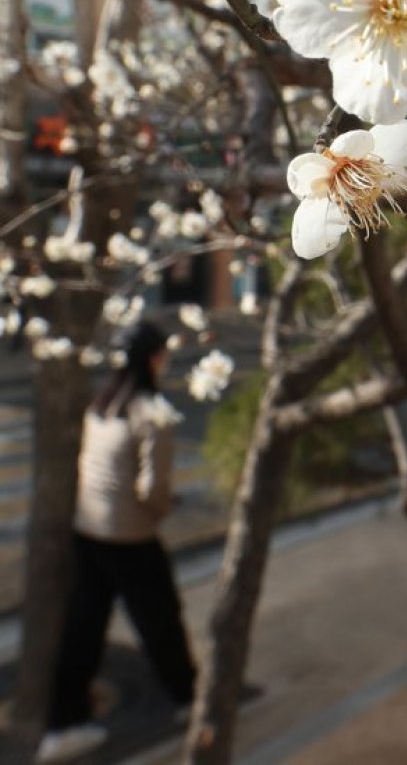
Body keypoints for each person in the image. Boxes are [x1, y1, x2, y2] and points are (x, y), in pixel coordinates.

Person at [36, 321, 197, 763]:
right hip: (130, 537)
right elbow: (152, 491)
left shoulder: (100, 405)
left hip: (88, 533)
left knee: (83, 629)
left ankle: (62, 726)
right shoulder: (153, 413)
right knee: (161, 620)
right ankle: (189, 700)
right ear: (152, 359)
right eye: (162, 354)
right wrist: (167, 506)